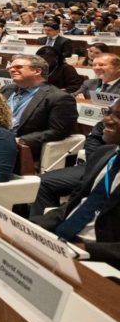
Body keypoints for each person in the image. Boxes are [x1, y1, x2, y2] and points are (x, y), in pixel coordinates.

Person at [33, 98, 120, 269]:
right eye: (108, 112)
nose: (106, 120)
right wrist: (34, 226)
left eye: (118, 115)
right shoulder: (104, 154)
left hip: (101, 258)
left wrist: (81, 250)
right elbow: (74, 205)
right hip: (64, 242)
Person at [0, 54, 78, 162]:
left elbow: (58, 131)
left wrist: (21, 140)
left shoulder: (58, 97)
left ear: (37, 71)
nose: (11, 70)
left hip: (22, 150)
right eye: (10, 68)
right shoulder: (7, 89)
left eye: (18, 67)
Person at [32, 120, 112, 217]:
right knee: (41, 182)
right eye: (108, 112)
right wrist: (99, 161)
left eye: (117, 115)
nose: (109, 118)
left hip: (112, 173)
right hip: (95, 165)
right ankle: (40, 226)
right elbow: (93, 140)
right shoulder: (107, 122)